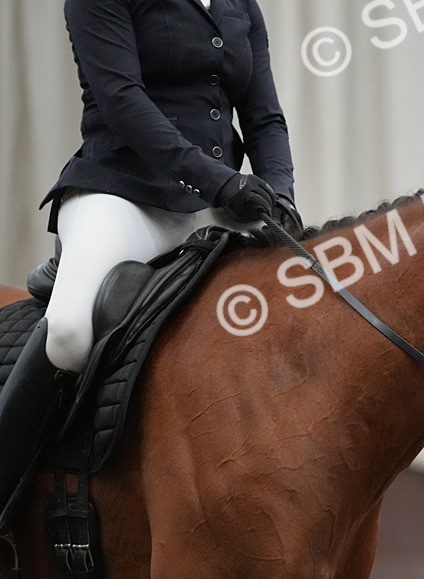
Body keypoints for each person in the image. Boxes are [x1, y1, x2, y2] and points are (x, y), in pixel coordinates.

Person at [0, 0, 300, 513]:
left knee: (297, 304)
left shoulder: (239, 5)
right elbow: (123, 102)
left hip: (216, 204)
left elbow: (264, 117)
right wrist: (223, 183)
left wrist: (281, 193)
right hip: (121, 194)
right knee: (71, 330)